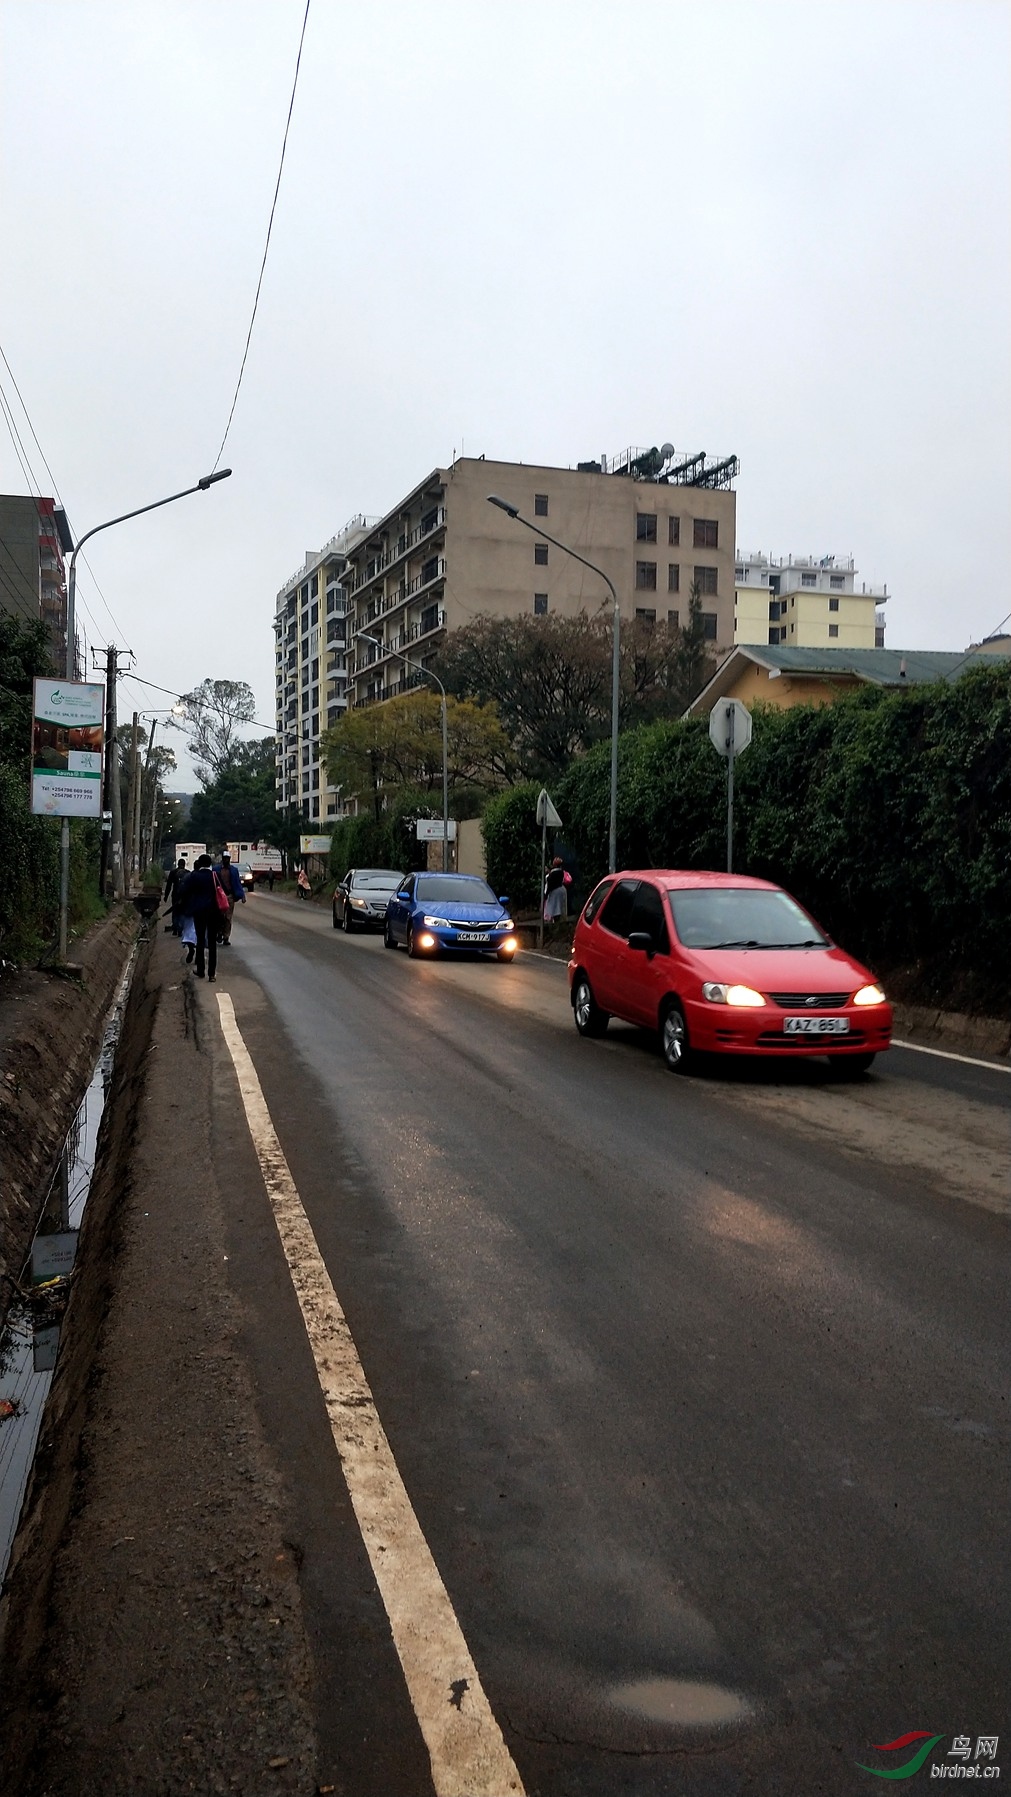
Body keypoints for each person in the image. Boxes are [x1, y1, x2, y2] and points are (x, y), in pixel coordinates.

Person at [179, 853, 221, 981]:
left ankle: (201, 970)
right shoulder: (215, 875)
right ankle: (212, 974)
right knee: (212, 942)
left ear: (200, 863)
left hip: (199, 912)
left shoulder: (194, 876)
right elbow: (221, 890)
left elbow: (183, 890)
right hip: (213, 912)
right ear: (210, 864)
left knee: (201, 940)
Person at [213, 851, 246, 945]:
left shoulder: (234, 870)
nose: (226, 860)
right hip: (218, 896)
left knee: (228, 917)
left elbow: (237, 883)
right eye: (225, 858)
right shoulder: (216, 869)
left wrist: (242, 895)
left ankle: (226, 937)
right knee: (219, 916)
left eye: (228, 858)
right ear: (222, 859)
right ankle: (219, 932)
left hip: (229, 896)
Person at [163, 857, 188, 934]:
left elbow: (169, 885)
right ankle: (180, 928)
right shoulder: (187, 873)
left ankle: (175, 927)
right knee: (182, 912)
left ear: (178, 864)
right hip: (184, 896)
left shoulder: (173, 872)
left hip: (175, 895)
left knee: (175, 910)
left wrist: (166, 896)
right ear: (184, 865)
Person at [543, 856, 569, 922]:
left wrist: (546, 895)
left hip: (554, 893)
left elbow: (550, 885)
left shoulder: (552, 874)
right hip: (561, 891)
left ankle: (555, 923)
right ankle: (561, 922)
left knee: (554, 909)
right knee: (560, 908)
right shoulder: (561, 872)